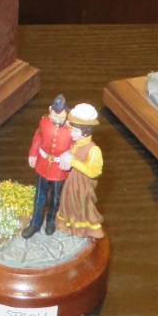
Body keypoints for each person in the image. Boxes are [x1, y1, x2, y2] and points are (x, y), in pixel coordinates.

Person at [22, 94, 73, 239]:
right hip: (43, 166)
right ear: (50, 110)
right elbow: (38, 136)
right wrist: (33, 153)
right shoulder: (44, 121)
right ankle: (35, 223)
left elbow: (76, 145)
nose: (57, 120)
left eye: (61, 117)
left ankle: (50, 221)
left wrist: (70, 155)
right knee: (39, 197)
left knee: (55, 199)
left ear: (67, 113)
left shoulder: (71, 129)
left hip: (59, 169)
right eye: (55, 116)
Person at [55, 103, 105, 240]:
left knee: (81, 206)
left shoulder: (93, 150)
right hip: (71, 181)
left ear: (85, 132)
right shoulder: (76, 143)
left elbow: (94, 172)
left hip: (82, 185)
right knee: (67, 202)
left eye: (75, 131)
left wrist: (73, 161)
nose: (71, 133)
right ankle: (67, 225)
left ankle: (83, 229)